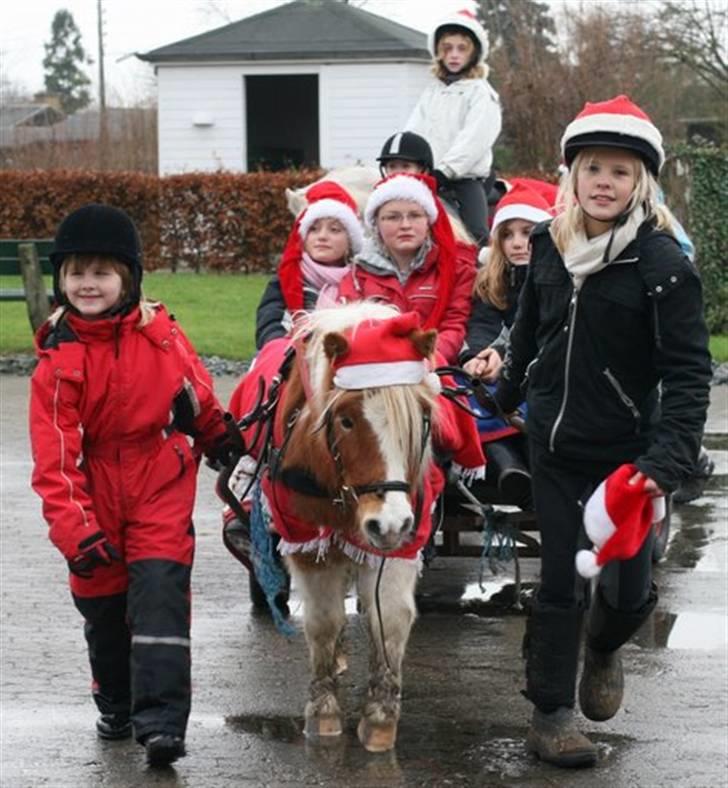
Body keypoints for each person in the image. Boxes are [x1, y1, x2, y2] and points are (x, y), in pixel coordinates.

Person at [494, 96, 712, 767]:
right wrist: (503, 394)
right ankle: (550, 716)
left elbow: (688, 373)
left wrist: (668, 458)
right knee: (560, 581)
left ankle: (606, 646)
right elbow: (528, 332)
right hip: (555, 446)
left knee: (626, 591)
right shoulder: (548, 246)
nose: (605, 182)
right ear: (573, 174)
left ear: (640, 181)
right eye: (593, 168)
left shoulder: (663, 266)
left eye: (621, 171)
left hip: (629, 458)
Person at [29, 204, 232, 768]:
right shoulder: (58, 363)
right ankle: (116, 699)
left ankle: (162, 723)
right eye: (76, 273)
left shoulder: (161, 335)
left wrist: (217, 433)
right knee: (105, 609)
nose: (87, 284)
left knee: (161, 595)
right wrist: (75, 531)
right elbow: (55, 461)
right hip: (93, 493)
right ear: (61, 281)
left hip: (157, 478)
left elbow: (194, 390)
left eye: (102, 272)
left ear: (129, 279)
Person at [460, 183, 553, 507]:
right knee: (471, 395)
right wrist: (476, 356)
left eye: (527, 232)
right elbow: (483, 324)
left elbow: (540, 328)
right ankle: (508, 468)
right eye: (507, 235)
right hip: (500, 367)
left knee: (526, 401)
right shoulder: (492, 279)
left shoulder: (558, 276)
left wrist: (503, 355)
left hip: (539, 365)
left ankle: (529, 470)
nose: (517, 242)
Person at [338, 172, 477, 365]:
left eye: (415, 216)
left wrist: (425, 359)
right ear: (376, 224)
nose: (405, 225)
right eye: (392, 217)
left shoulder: (457, 270)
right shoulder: (356, 274)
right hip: (375, 367)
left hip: (433, 365)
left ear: (428, 222)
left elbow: (454, 326)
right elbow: (351, 328)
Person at [405, 9, 501, 246]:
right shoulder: (432, 91)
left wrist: (446, 171)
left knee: (475, 232)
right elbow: (415, 130)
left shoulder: (481, 92)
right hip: (429, 177)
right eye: (448, 48)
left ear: (474, 53)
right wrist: (406, 160)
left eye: (461, 49)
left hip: (464, 179)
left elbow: (474, 139)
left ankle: (482, 264)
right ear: (439, 52)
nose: (454, 55)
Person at [255, 180, 364, 349]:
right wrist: (284, 347)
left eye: (334, 230)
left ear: (350, 241)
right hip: (292, 354)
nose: (322, 236)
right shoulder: (285, 280)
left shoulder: (361, 281)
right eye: (313, 229)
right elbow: (269, 323)